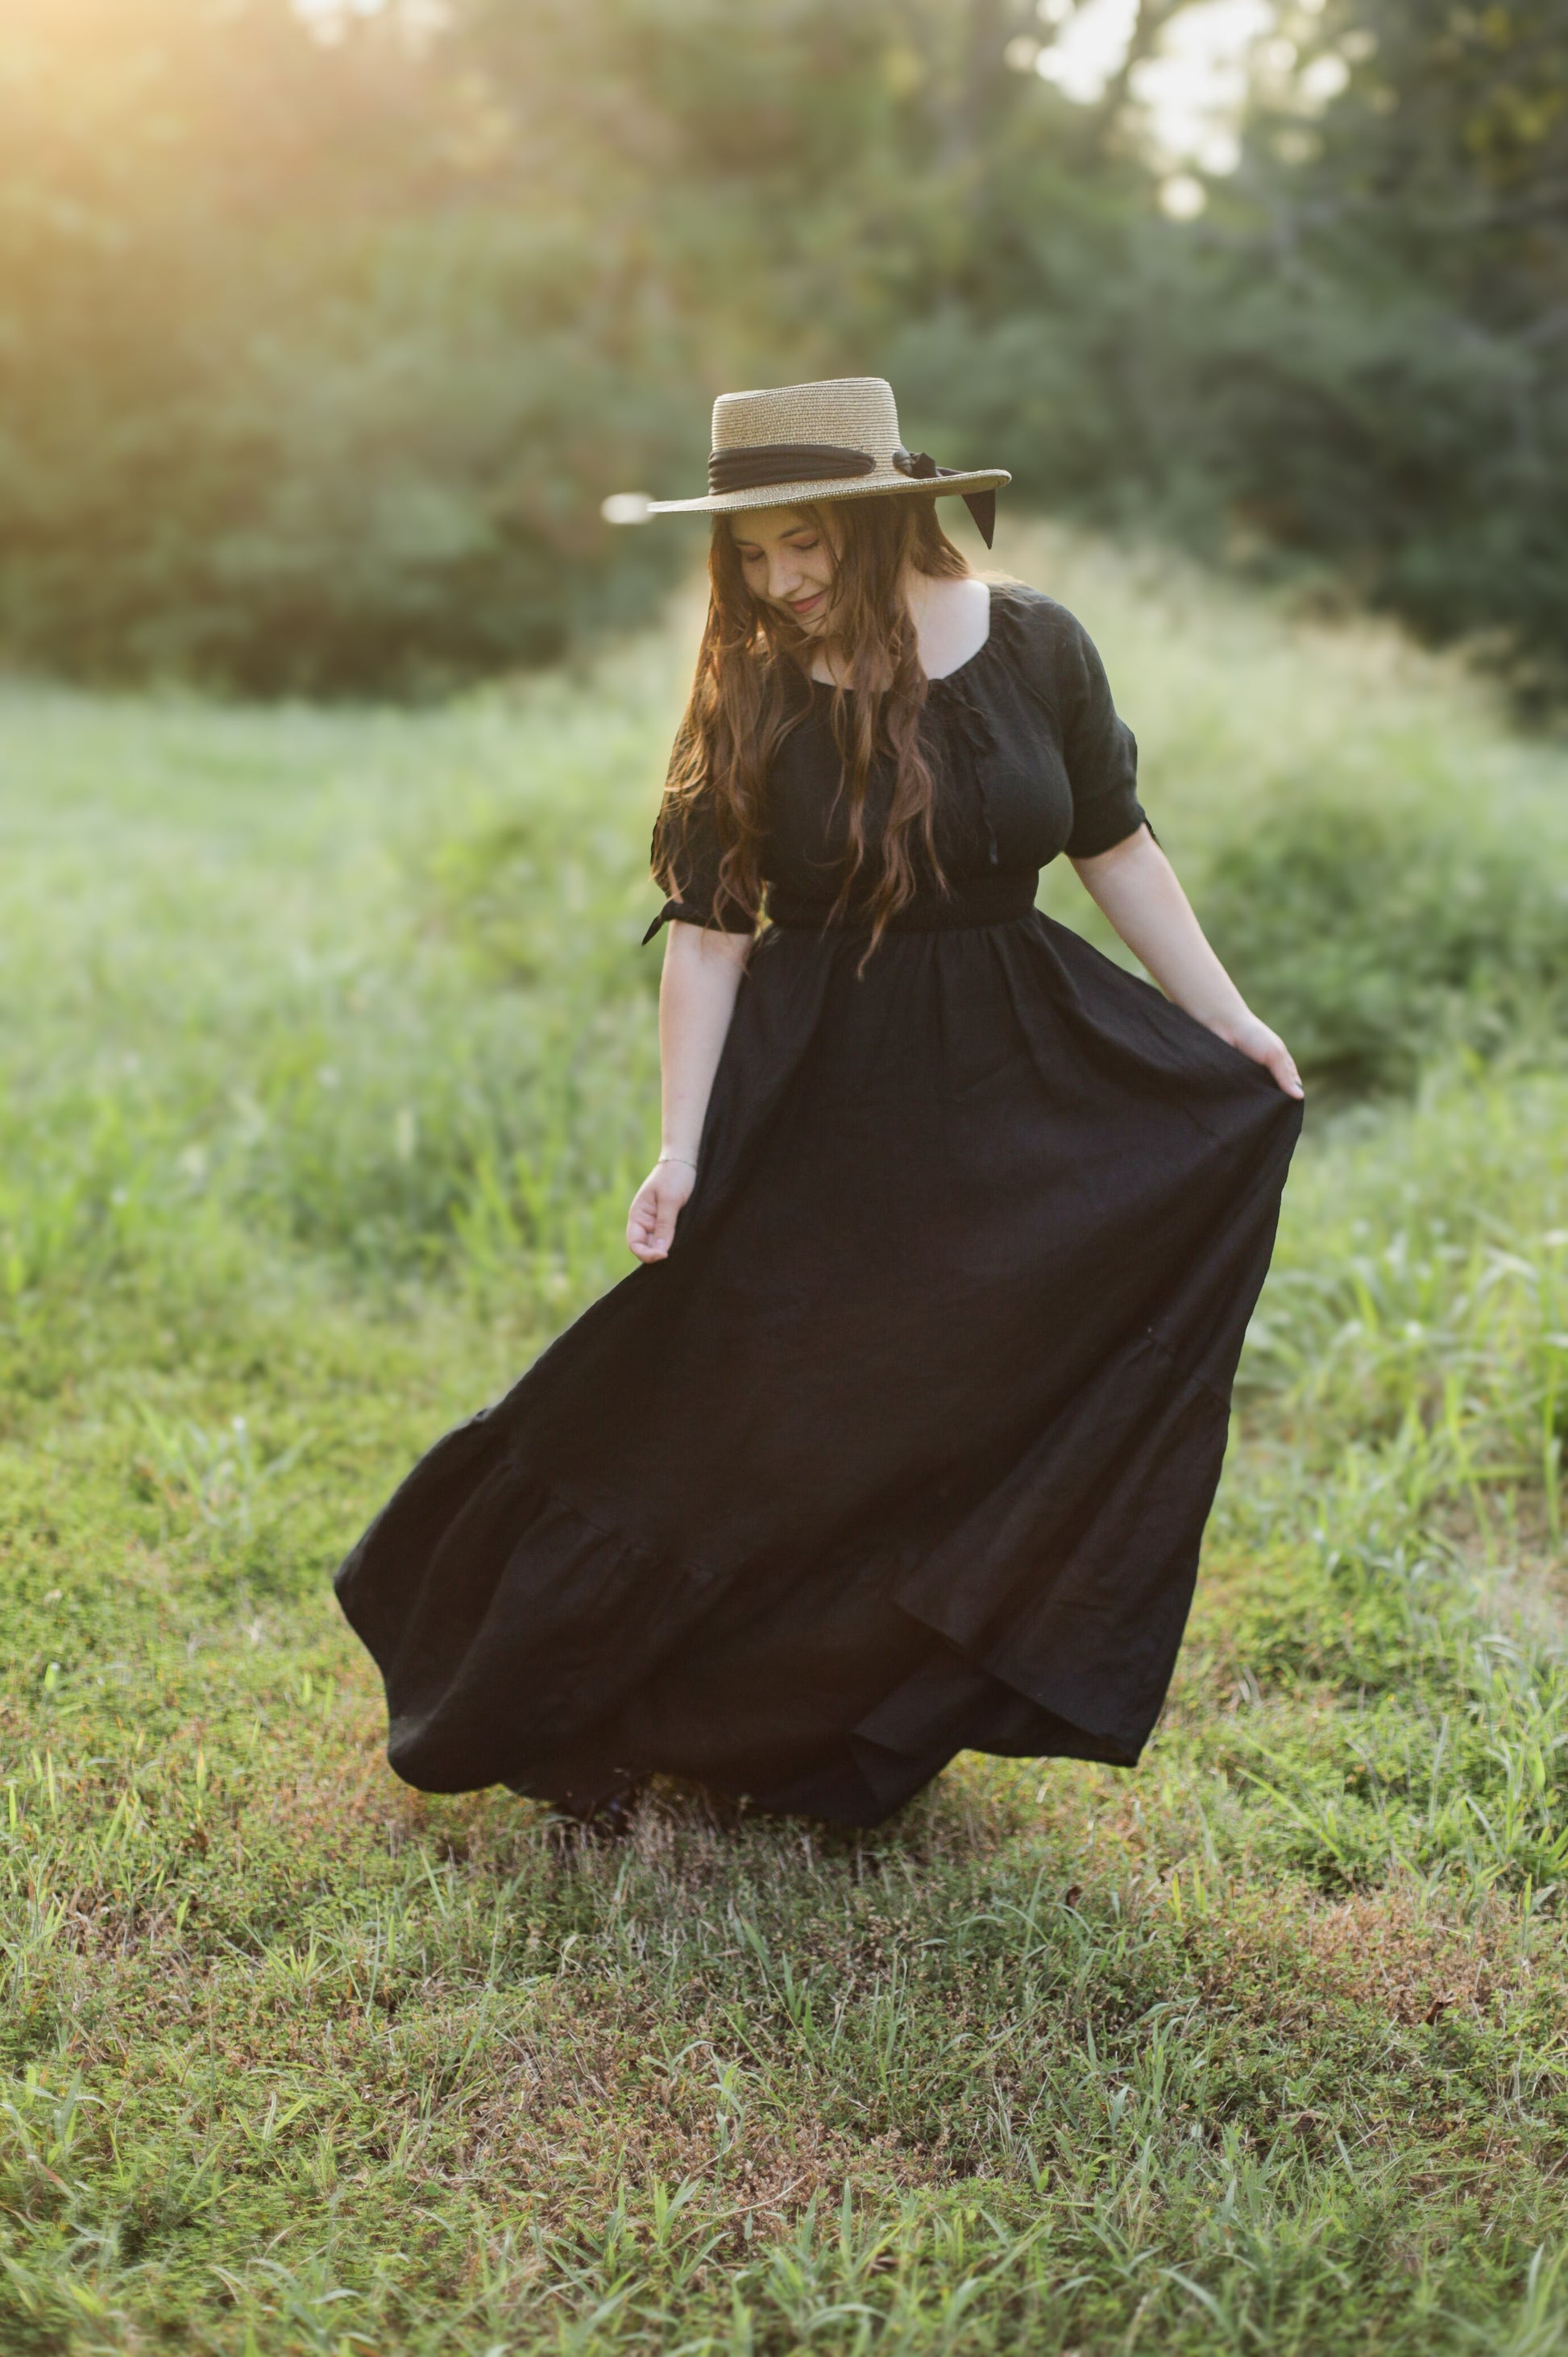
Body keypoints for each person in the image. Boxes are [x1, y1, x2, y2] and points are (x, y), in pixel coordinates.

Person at [334, 376, 1303, 1830]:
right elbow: (714, 935)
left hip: (1016, 1071)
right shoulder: (750, 685)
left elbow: (1116, 848)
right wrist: (681, 1147)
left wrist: (1226, 1024)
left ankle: (840, 1730)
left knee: (952, 1404)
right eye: (749, 554)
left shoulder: (1037, 642)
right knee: (750, 1402)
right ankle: (585, 1690)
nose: (777, 581)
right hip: (821, 1087)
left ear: (877, 519)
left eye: (802, 544)